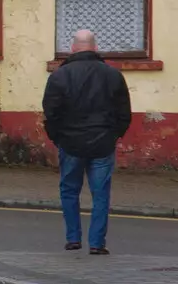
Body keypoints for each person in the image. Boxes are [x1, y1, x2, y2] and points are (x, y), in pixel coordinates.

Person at [42, 29, 132, 255]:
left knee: (69, 190)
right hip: (103, 143)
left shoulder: (59, 76)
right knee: (100, 194)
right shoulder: (113, 75)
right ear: (95, 47)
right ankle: (97, 243)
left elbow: (51, 113)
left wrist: (58, 138)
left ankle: (73, 238)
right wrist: (114, 136)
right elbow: (124, 113)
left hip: (70, 143)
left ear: (73, 48)